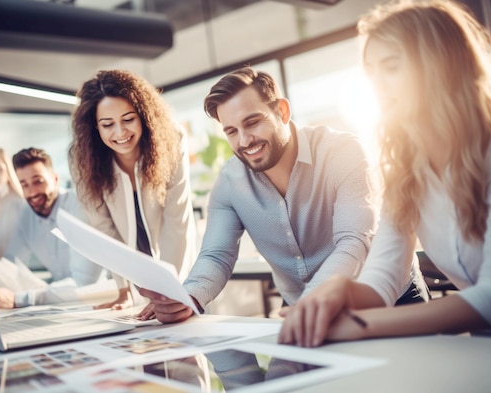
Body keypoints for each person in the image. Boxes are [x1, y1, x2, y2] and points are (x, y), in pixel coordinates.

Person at [278, 0, 491, 348]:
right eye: (371, 72)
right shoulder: (405, 172)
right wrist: (340, 291)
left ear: (439, 68)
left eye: (391, 67)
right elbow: (382, 283)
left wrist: (357, 326)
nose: (377, 84)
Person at [140, 66, 399, 323]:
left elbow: (353, 242)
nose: (244, 141)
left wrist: (310, 302)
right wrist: (190, 297)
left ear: (282, 111)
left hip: (381, 301)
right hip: (300, 310)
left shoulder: (342, 152)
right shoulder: (230, 181)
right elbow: (217, 255)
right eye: (231, 131)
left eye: (252, 122)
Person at [69, 69, 198, 312]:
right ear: (95, 127)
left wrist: (170, 291)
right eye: (107, 124)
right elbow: (103, 229)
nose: (120, 133)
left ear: (144, 116)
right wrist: (123, 288)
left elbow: (176, 221)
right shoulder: (81, 159)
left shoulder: (171, 139)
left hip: (178, 266)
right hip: (132, 270)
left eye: (128, 119)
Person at [0, 147, 107, 308]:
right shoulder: (26, 215)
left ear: (55, 179)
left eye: (38, 181)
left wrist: (20, 299)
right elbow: (10, 266)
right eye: (24, 185)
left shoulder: (80, 206)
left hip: (99, 303)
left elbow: (84, 282)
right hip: (60, 305)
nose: (32, 192)